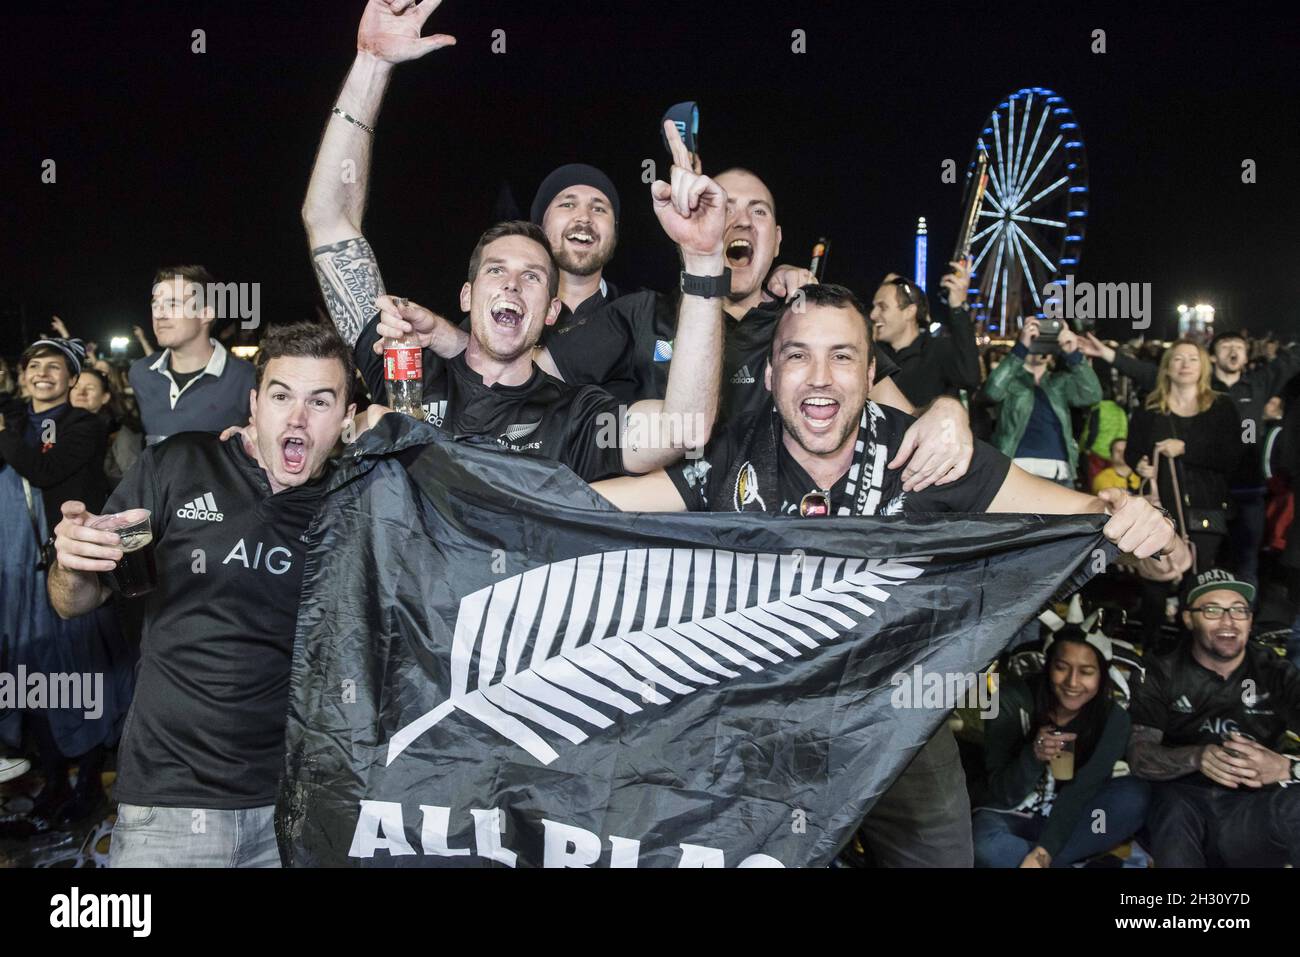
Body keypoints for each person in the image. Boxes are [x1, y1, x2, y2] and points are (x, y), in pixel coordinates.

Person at [589, 283, 1179, 866]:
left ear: (871, 374)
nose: (819, 376)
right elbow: (598, 510)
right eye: (797, 355)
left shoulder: (927, 456)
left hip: (901, 729)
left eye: (841, 356)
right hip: (764, 727)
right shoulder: (733, 454)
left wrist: (1146, 530)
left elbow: (1077, 513)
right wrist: (502, 503)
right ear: (770, 378)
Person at [48, 322, 364, 867]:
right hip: (166, 807)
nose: (296, 418)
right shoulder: (180, 465)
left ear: (346, 420)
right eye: (281, 395)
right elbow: (72, 600)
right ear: (254, 404)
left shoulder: (352, 506)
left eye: (321, 401)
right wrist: (73, 561)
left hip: (292, 809)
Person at [0, 337, 130, 836]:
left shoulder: (83, 425)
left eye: (55, 368)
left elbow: (43, 468)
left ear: (73, 380)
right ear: (22, 374)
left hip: (68, 575)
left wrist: (7, 434)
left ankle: (89, 786)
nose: (43, 374)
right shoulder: (14, 423)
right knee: (30, 679)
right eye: (34, 366)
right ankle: (54, 782)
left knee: (80, 675)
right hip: (17, 578)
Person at [1082, 329, 1300, 588]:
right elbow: (1143, 372)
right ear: (1213, 357)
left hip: (1245, 491)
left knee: (1240, 563)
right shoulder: (1178, 391)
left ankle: (1234, 616)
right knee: (1172, 575)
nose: (1232, 351)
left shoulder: (1255, 385)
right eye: (1225, 346)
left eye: (1238, 347)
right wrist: (1142, 464)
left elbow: (1287, 364)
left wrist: (1187, 448)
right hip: (1181, 499)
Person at [1127, 569, 1300, 867]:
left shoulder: (1276, 672)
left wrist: (1287, 767)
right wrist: (1197, 757)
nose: (1229, 621)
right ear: (1188, 618)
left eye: (1239, 610)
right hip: (1182, 806)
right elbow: (1139, 756)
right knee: (1173, 810)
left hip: (1252, 813)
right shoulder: (1159, 671)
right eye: (1212, 610)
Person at [972, 627, 1149, 867]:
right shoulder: (1011, 700)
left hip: (1080, 819)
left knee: (1132, 797)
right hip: (1013, 814)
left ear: (1102, 676)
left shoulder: (1113, 718)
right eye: (1061, 667)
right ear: (1048, 667)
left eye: (1086, 672)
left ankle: (1044, 861)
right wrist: (1033, 756)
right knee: (983, 845)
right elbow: (1002, 794)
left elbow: (1081, 792)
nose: (1072, 682)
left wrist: (1042, 854)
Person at [1126, 339, 1241, 645]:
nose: (1186, 364)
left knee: (1199, 582)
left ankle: (1194, 653)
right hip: (1159, 508)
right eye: (1178, 358)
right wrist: (1140, 465)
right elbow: (1132, 452)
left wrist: (1186, 450)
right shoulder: (1149, 410)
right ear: (1167, 367)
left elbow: (1231, 457)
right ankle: (1149, 658)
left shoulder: (1221, 407)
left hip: (1206, 506)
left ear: (1203, 366)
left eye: (1193, 358)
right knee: (1154, 583)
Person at [129, 265, 257, 445]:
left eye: (172, 304)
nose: (159, 315)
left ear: (206, 313)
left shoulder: (248, 379)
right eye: (155, 305)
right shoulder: (141, 374)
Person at [982, 317, 1102, 487]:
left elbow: (1092, 395)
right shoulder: (1011, 381)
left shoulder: (1059, 382)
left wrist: (1073, 354)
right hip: (1017, 467)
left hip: (1058, 470)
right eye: (1037, 339)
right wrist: (1021, 348)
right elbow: (992, 391)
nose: (1040, 344)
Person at [870, 265, 981, 409]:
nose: (872, 315)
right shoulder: (876, 355)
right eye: (874, 307)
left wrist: (958, 308)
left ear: (909, 312)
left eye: (882, 307)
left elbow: (970, 377)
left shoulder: (936, 350)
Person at [70, 367, 143, 487]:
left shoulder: (121, 432)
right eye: (76, 387)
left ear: (105, 397)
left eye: (90, 388)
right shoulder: (56, 425)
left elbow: (135, 480)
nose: (81, 393)